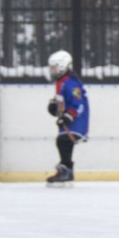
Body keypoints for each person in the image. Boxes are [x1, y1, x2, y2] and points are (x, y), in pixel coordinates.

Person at [45, 50, 89, 186]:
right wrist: (54, 107)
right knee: (64, 142)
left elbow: (78, 104)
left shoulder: (70, 83)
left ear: (63, 66)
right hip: (68, 121)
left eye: (55, 68)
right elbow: (62, 101)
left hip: (76, 122)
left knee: (63, 142)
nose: (52, 71)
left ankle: (66, 169)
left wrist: (68, 116)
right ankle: (66, 170)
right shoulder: (61, 82)